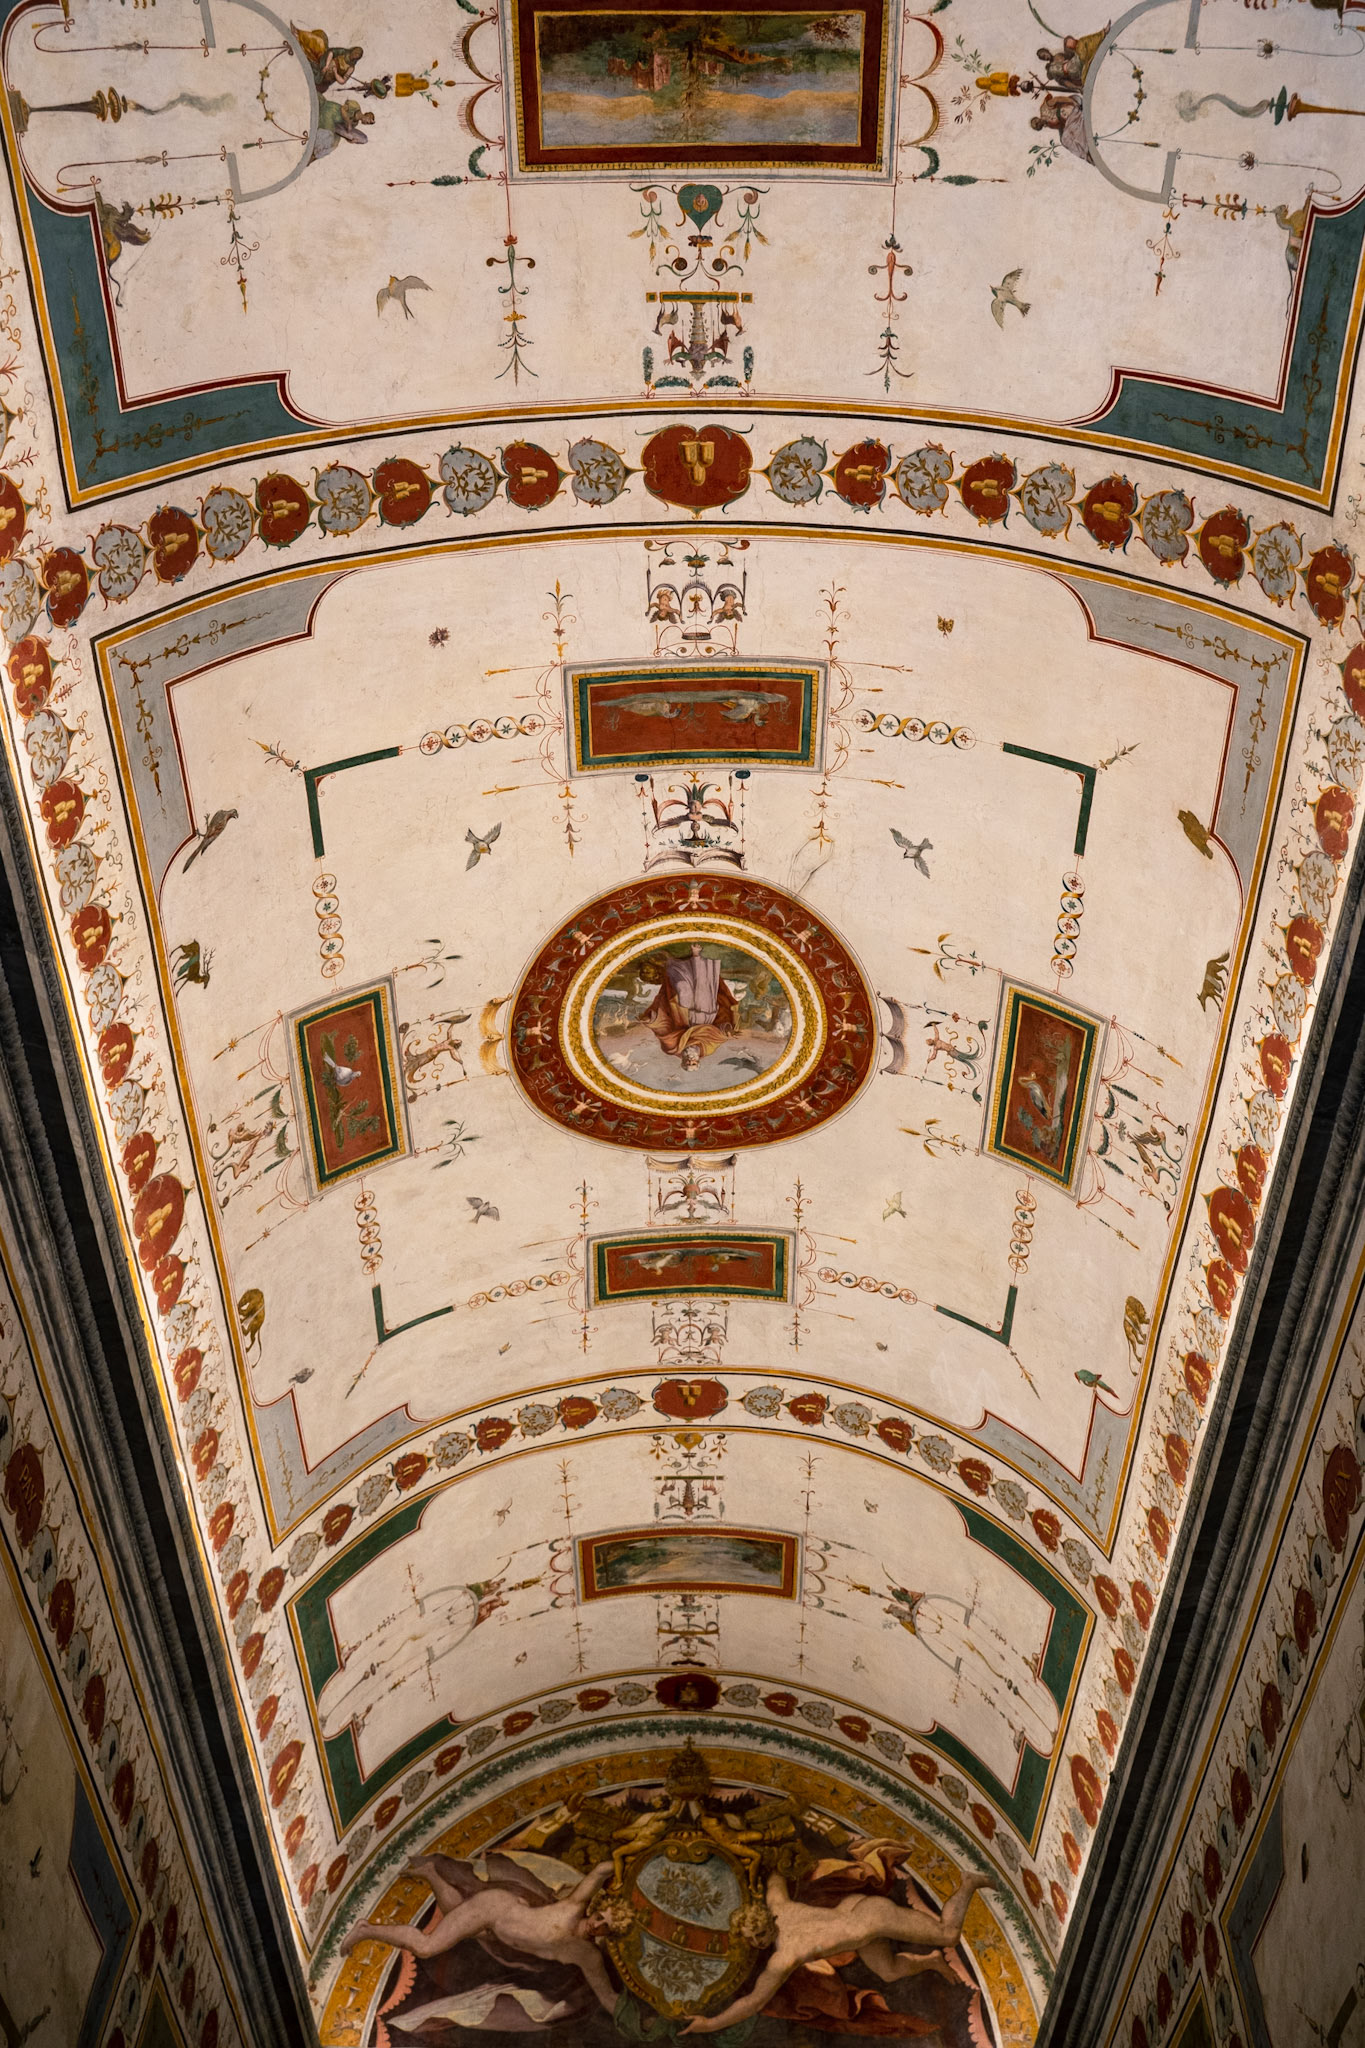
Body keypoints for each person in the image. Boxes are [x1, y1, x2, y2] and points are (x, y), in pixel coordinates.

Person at [681, 1865, 994, 2034]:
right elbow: (751, 2002)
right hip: (861, 1925)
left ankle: (968, 1883)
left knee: (948, 1933)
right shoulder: (779, 1923)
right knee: (889, 1971)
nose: (759, 1942)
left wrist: (711, 2023)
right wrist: (709, 2024)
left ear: (761, 1919)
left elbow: (751, 2003)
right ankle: (931, 1961)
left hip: (873, 1917)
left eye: (759, 1933)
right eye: (753, 1940)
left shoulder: (785, 1949)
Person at [342, 1854, 621, 2017]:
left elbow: (608, 1998)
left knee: (456, 1912)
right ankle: (366, 1929)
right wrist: (627, 1864)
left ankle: (431, 1873)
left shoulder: (589, 1956)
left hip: (497, 1935)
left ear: (612, 1934)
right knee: (427, 1947)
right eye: (600, 1917)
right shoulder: (575, 1907)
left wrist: (653, 2021)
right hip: (496, 1908)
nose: (598, 1925)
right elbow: (601, 1869)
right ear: (595, 1909)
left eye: (605, 1926)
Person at [637, 944, 738, 1071]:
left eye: (688, 1064)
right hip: (706, 1014)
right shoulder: (708, 1049)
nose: (691, 1060)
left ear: (683, 1062)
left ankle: (676, 964)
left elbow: (663, 1030)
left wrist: (651, 1021)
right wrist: (727, 1029)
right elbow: (719, 1035)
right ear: (698, 1062)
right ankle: (696, 956)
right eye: (693, 1063)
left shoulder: (672, 1048)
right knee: (702, 985)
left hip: (683, 1014)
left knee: (682, 986)